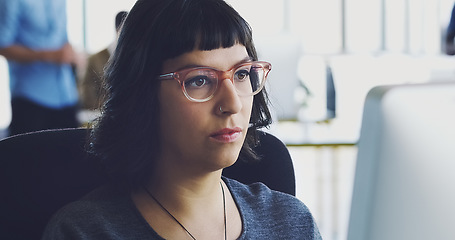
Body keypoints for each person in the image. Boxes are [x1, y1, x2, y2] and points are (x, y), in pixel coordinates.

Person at [42, 0, 322, 239]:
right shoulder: (85, 232)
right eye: (199, 80)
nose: (232, 103)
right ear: (142, 94)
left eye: (241, 74)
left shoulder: (291, 223)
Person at [0, 0, 80, 136]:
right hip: (30, 98)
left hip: (66, 95)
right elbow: (3, 46)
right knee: (30, 155)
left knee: (72, 154)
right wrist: (47, 55)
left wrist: (73, 54)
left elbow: (62, 39)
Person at [79, 11, 128, 110]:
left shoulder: (134, 58)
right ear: (118, 30)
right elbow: (86, 95)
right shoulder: (95, 59)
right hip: (99, 114)